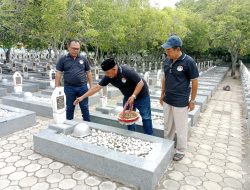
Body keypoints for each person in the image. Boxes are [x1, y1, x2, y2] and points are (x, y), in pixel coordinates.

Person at [73, 58, 153, 135]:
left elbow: (140, 83)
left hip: (142, 95)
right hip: (128, 97)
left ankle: (149, 136)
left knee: (146, 117)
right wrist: (82, 97)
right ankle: (132, 134)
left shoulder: (127, 71)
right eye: (105, 73)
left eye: (107, 72)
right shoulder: (109, 76)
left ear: (114, 69)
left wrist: (134, 96)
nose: (106, 75)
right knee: (127, 118)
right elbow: (97, 87)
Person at [160, 35, 199, 161]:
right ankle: (167, 145)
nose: (167, 52)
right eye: (166, 50)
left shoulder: (188, 62)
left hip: (180, 101)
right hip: (168, 99)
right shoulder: (167, 60)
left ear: (178, 49)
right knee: (168, 125)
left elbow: (194, 81)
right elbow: (164, 78)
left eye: (169, 50)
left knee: (181, 127)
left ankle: (181, 150)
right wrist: (162, 94)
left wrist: (192, 101)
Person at [55, 39, 93, 121]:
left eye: (77, 49)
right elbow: (58, 73)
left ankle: (87, 122)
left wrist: (91, 86)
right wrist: (56, 87)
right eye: (73, 48)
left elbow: (88, 72)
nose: (76, 50)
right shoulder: (63, 59)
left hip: (82, 87)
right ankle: (68, 123)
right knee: (69, 107)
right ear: (68, 47)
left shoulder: (83, 58)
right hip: (69, 88)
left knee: (85, 106)